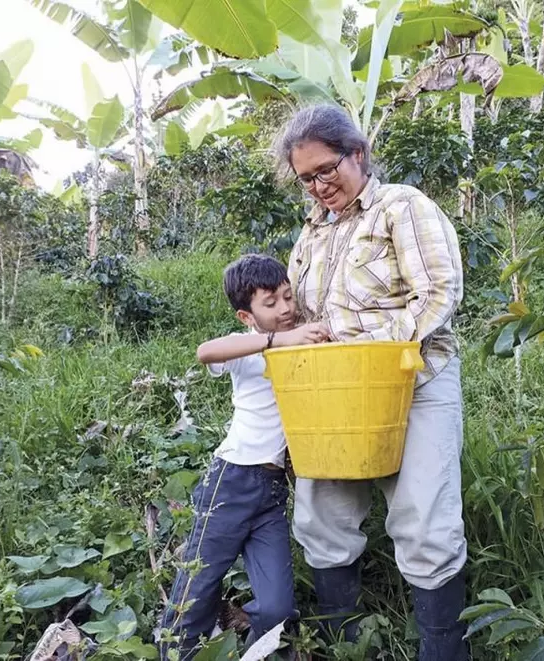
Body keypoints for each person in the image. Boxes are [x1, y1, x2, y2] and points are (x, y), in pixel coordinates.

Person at [275, 104, 467, 660]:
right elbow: (296, 314)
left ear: (357, 154)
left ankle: (443, 650)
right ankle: (347, 643)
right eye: (305, 177)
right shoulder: (311, 231)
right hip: (333, 392)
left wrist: (358, 343)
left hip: (414, 382)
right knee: (321, 516)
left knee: (424, 521)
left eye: (327, 169)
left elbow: (437, 294)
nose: (318, 185)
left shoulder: (401, 207)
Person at [159, 254, 328, 660]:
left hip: (270, 494)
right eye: (270, 304)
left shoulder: (304, 337)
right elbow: (205, 351)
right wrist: (275, 340)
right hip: (231, 483)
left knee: (277, 608)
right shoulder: (246, 349)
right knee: (196, 589)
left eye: (288, 297)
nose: (285, 309)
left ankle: (245, 646)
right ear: (245, 315)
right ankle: (173, 652)